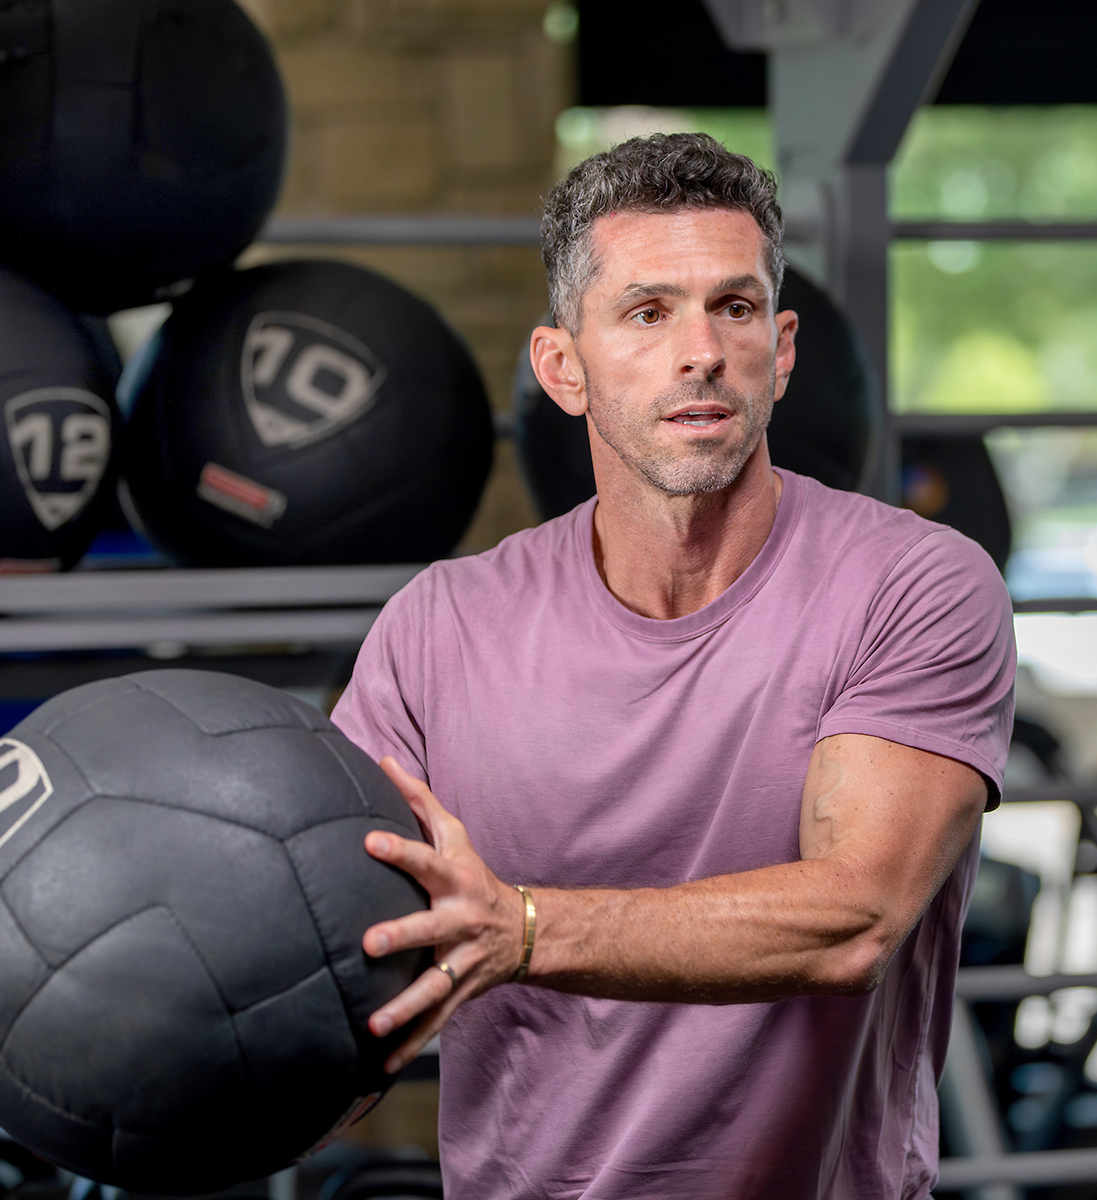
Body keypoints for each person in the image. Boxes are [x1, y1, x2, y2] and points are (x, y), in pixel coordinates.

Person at [333, 133, 1015, 1199]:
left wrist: (522, 929)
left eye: (734, 308)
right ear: (562, 368)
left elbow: (854, 919)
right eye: (648, 313)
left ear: (781, 350)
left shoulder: (914, 585)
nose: (702, 351)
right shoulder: (439, 627)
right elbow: (338, 943)